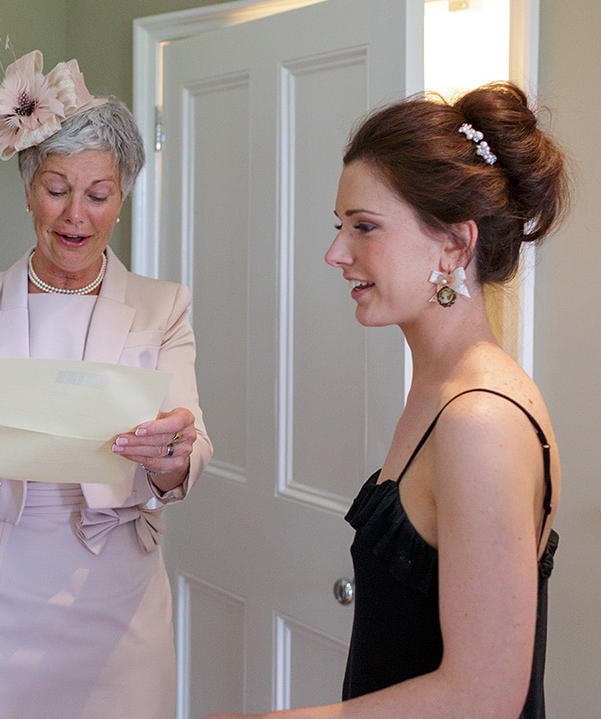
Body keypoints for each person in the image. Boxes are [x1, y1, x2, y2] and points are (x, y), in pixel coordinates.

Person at [204, 82, 569, 719]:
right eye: (339, 226)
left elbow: (482, 700)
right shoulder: (438, 388)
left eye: (364, 227)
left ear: (456, 245)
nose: (335, 252)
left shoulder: (479, 420)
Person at [0, 44, 213, 719]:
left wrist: (172, 457)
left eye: (98, 194)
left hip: (119, 600)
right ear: (27, 192)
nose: (77, 214)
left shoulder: (164, 307)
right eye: (57, 189)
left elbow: (190, 441)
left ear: (121, 199)